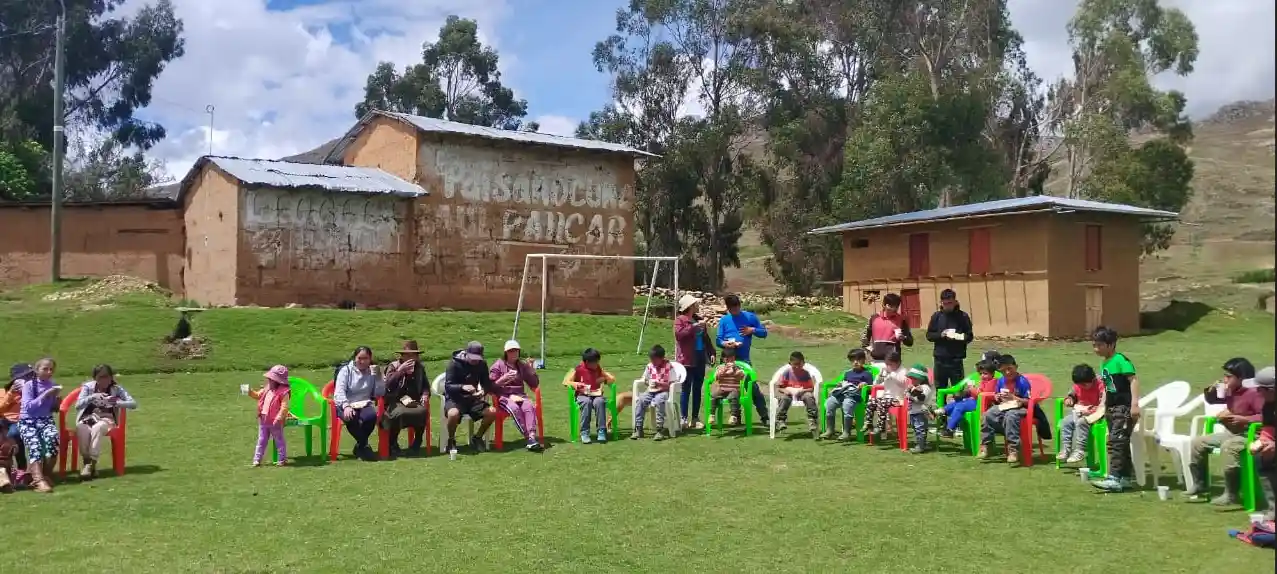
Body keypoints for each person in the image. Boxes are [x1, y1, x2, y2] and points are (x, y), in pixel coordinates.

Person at [1186, 357, 1263, 504]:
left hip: (1252, 435)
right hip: (1232, 432)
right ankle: (1199, 484)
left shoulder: (1255, 393)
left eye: (1229, 376)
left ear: (1241, 378)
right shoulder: (1231, 391)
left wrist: (1245, 419)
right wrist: (1210, 392)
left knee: (1230, 447)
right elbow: (1214, 400)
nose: (1224, 379)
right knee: (1197, 443)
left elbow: (1265, 416)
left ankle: (1231, 494)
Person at [1090, 326, 1142, 492]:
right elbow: (1107, 388)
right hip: (1111, 408)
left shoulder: (1121, 360)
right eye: (1094, 345)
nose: (1096, 349)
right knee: (1120, 442)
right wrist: (1101, 405)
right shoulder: (1104, 363)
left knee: (1118, 442)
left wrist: (1134, 404)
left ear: (1111, 344)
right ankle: (1126, 478)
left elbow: (1133, 380)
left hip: (1123, 407)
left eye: (1099, 345)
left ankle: (1114, 478)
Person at [73, 364, 138, 478]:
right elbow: (78, 405)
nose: (104, 380)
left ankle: (91, 463)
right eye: (101, 377)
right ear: (95, 378)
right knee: (81, 428)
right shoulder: (88, 387)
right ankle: (88, 463)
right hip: (88, 418)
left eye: (107, 376)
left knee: (98, 427)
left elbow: (133, 404)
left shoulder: (116, 389)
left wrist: (117, 402)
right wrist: (93, 396)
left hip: (107, 419)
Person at [715, 293, 770, 425]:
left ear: (739, 306)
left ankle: (764, 416)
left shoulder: (749, 317)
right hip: (727, 360)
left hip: (744, 360)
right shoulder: (724, 320)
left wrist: (753, 330)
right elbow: (718, 339)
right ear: (728, 309)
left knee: (752, 387)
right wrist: (724, 344)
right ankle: (736, 416)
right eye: (731, 309)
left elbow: (764, 333)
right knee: (729, 388)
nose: (734, 311)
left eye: (736, 308)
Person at [444, 341, 498, 453]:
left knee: (492, 412)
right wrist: (462, 387)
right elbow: (448, 386)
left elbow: (487, 383)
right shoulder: (453, 364)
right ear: (466, 353)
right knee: (453, 414)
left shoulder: (482, 364)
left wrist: (483, 391)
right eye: (473, 357)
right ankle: (451, 440)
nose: (475, 361)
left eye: (478, 358)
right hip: (455, 399)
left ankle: (477, 438)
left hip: (473, 399)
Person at [489, 339, 543, 452]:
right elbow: (490, 387)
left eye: (516, 351)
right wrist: (503, 379)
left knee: (528, 406)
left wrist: (531, 369)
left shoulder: (521, 365)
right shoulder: (498, 366)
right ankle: (529, 438)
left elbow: (534, 383)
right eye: (511, 351)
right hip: (503, 396)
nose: (514, 353)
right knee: (514, 408)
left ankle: (532, 436)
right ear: (506, 352)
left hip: (520, 395)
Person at [333, 346, 385, 461]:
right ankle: (365, 446)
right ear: (355, 358)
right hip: (345, 403)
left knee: (371, 417)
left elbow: (379, 393)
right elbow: (339, 392)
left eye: (365, 358)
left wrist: (379, 378)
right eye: (359, 358)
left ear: (370, 359)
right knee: (351, 417)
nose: (362, 361)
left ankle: (360, 446)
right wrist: (346, 406)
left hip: (364, 403)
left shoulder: (373, 371)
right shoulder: (346, 371)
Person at [978, 354, 1031, 464]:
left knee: (1011, 416)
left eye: (1009, 369)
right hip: (1004, 406)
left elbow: (1029, 402)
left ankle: (1013, 450)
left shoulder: (1022, 382)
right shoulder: (1001, 381)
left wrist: (1014, 397)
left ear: (1016, 367)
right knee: (987, 414)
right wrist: (997, 397)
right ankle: (986, 445)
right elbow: (997, 396)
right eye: (1003, 371)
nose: (1007, 372)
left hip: (1021, 408)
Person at [17, 358, 60, 493]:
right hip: (28, 421)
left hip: (45, 420)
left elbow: (51, 408)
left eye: (51, 369)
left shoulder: (52, 384)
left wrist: (57, 400)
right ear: (37, 370)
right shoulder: (29, 386)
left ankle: (45, 475)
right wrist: (45, 394)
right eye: (45, 369)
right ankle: (38, 481)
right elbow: (29, 407)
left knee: (53, 438)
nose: (49, 372)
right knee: (35, 445)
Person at [381, 340, 429, 457]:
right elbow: (387, 386)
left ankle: (417, 442)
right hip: (395, 400)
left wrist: (425, 394)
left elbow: (426, 385)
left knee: (422, 411)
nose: (410, 358)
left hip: (412, 401)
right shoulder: (393, 366)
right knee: (399, 413)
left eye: (413, 355)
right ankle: (392, 443)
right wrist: (400, 371)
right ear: (402, 356)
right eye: (407, 355)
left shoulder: (419, 368)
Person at [675, 294, 716, 430]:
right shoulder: (680, 320)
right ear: (689, 306)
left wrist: (711, 353)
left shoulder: (699, 320)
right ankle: (683, 418)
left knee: (697, 389)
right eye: (695, 304)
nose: (697, 305)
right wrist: (693, 327)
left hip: (699, 358)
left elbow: (706, 339)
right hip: (686, 359)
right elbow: (679, 335)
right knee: (686, 389)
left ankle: (695, 418)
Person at [924, 289, 974, 391]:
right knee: (940, 388)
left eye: (950, 303)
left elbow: (969, 336)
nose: (947, 306)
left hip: (956, 359)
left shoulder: (963, 316)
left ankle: (958, 405)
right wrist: (941, 335)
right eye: (945, 303)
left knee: (958, 389)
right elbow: (929, 335)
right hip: (940, 359)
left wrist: (958, 336)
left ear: (955, 302)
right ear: (941, 303)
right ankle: (941, 406)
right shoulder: (937, 316)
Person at [938, 359, 998, 438]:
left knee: (959, 406)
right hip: (974, 401)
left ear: (992, 373)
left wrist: (972, 389)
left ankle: (950, 429)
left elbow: (982, 395)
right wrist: (966, 393)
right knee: (955, 404)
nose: (982, 376)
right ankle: (940, 411)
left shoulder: (993, 382)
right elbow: (976, 393)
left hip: (982, 405)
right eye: (981, 374)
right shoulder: (983, 381)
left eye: (985, 373)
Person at [565, 347, 615, 444]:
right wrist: (576, 384)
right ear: (587, 362)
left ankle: (601, 431)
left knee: (600, 402)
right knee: (586, 402)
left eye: (597, 362)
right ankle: (585, 432)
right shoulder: (577, 369)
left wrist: (604, 379)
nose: (597, 364)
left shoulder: (598, 369)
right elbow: (566, 382)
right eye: (594, 362)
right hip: (582, 395)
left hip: (596, 394)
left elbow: (611, 379)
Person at [822, 348, 874, 441]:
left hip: (856, 396)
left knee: (847, 404)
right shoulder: (848, 373)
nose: (855, 362)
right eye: (853, 360)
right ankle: (830, 430)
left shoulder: (867, 374)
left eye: (858, 360)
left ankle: (846, 432)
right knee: (829, 403)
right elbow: (844, 382)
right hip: (843, 394)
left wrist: (865, 384)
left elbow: (871, 389)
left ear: (863, 360)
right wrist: (840, 385)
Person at [1057, 364, 1104, 464]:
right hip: (1080, 412)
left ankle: (1080, 450)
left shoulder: (1101, 385)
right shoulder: (1078, 385)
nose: (1082, 387)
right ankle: (1066, 449)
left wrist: (1090, 411)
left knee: (1082, 422)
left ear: (1092, 379)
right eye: (1080, 385)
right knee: (1065, 422)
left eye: (1085, 385)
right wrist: (1069, 400)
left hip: (1096, 414)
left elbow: (1103, 404)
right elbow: (1072, 395)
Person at [1248, 367, 1277, 521]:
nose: (1257, 392)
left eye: (1260, 389)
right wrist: (1264, 442)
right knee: (1262, 458)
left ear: (1272, 390)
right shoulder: (1268, 406)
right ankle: (1274, 511)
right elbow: (1269, 430)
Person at [249, 365, 291, 467]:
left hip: (275, 421)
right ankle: (257, 459)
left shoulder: (284, 392)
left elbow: (284, 407)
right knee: (262, 439)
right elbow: (258, 396)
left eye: (271, 379)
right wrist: (250, 392)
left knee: (279, 440)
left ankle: (282, 459)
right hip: (263, 419)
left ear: (278, 381)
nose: (269, 380)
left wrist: (279, 417)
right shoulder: (267, 388)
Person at [633, 345, 674, 441]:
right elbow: (645, 379)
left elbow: (672, 384)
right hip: (651, 391)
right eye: (651, 359)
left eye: (655, 360)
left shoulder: (669, 367)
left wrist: (660, 384)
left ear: (661, 358)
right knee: (641, 400)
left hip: (663, 391)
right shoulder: (649, 366)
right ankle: (639, 428)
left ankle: (660, 429)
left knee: (660, 400)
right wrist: (648, 382)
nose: (653, 362)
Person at [774, 351, 820, 438]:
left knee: (809, 397)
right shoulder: (787, 373)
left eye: (800, 364)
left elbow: (811, 388)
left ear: (803, 363)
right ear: (790, 364)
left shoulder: (805, 374)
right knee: (784, 399)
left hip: (801, 392)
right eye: (795, 364)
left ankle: (812, 420)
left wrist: (803, 391)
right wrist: (784, 390)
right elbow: (778, 386)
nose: (797, 367)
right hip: (788, 392)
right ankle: (780, 420)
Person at [862, 351, 907, 439]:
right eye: (886, 364)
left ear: (898, 363)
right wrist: (880, 376)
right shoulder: (888, 371)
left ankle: (881, 427)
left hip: (899, 399)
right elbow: (876, 384)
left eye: (890, 364)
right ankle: (868, 423)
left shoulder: (903, 371)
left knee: (882, 402)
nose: (888, 366)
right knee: (871, 401)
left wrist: (891, 373)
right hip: (886, 398)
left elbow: (903, 383)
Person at [859, 293, 914, 361]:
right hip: (874, 360)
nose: (894, 309)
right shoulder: (874, 318)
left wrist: (903, 338)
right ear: (884, 305)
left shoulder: (902, 320)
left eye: (896, 307)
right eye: (891, 306)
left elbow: (910, 342)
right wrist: (868, 351)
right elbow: (865, 338)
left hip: (893, 361)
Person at [0, 364, 29, 487]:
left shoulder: (31, 391)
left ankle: (20, 468)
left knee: (14, 434)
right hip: (3, 421)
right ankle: (7, 469)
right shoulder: (3, 391)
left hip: (21, 422)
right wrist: (11, 393)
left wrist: (26, 392)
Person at [708, 343, 746, 427]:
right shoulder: (720, 368)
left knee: (734, 396)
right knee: (713, 395)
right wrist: (724, 371)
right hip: (722, 389)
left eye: (732, 359)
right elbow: (716, 377)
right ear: (724, 360)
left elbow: (742, 376)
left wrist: (734, 371)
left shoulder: (738, 368)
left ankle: (733, 416)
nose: (730, 361)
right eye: (728, 359)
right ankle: (712, 415)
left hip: (733, 390)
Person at [905, 363, 934, 454]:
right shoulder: (915, 387)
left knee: (920, 428)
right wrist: (909, 391)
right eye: (911, 378)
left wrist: (910, 396)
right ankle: (922, 444)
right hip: (914, 411)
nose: (912, 380)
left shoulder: (924, 388)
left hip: (920, 411)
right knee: (917, 427)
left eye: (915, 378)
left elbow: (921, 399)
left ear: (921, 379)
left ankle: (921, 446)